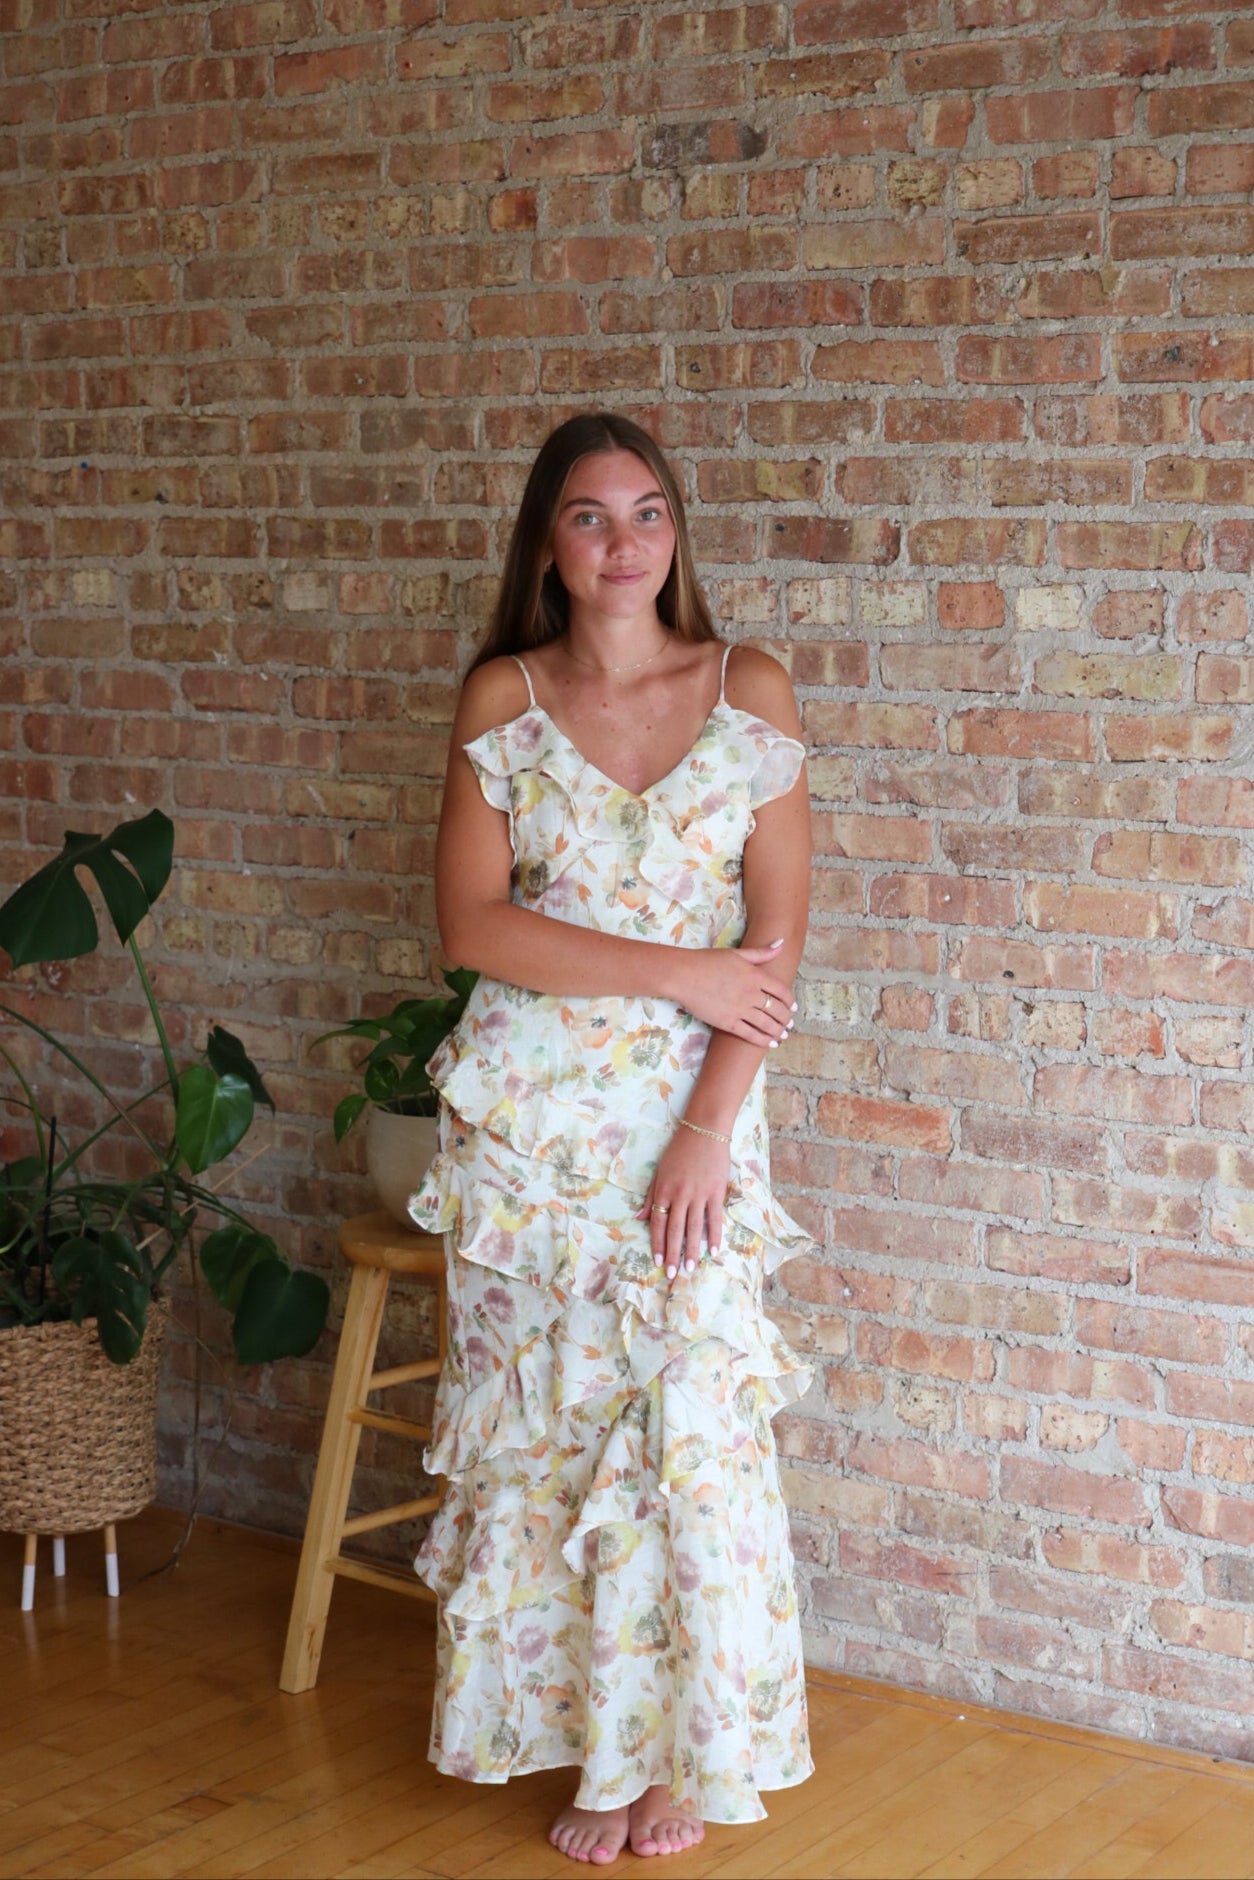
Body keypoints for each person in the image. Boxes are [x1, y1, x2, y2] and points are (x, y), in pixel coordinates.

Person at [407, 411, 816, 1865]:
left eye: (647, 513)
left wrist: (710, 1128)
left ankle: (681, 1759)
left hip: (691, 1122)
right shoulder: (499, 701)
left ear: (674, 537)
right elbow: (473, 930)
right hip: (533, 1132)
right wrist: (673, 969)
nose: (623, 542)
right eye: (590, 517)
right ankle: (592, 1747)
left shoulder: (745, 687)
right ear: (549, 547)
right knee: (555, 1439)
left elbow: (771, 949)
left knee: (688, 1437)